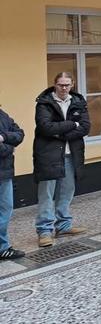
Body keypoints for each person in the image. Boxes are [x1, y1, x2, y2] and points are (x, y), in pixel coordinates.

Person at [34, 72, 90, 248]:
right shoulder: (44, 103)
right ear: (55, 84)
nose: (64, 88)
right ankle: (44, 231)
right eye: (60, 85)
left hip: (71, 154)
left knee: (66, 191)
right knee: (47, 194)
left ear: (72, 84)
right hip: (48, 155)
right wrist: (72, 124)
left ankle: (64, 226)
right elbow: (45, 127)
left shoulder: (78, 101)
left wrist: (61, 133)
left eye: (67, 85)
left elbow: (85, 127)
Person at [0, 105, 24, 260]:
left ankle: (2, 247)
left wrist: (3, 137)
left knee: (5, 210)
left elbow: (20, 134)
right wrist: (10, 149)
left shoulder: (2, 114)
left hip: (5, 173)